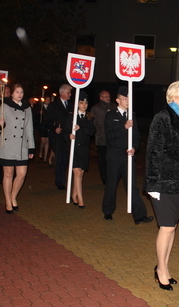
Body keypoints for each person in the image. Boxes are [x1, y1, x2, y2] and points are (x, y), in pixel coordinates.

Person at [146, 81, 179, 291]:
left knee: (173, 228)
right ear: (175, 97)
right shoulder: (163, 117)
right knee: (166, 227)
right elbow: (153, 151)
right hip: (162, 182)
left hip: (178, 182)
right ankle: (161, 271)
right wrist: (153, 183)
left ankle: (164, 267)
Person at [102, 86, 154, 225]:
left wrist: (134, 148)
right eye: (124, 99)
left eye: (129, 98)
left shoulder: (132, 116)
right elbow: (110, 137)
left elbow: (136, 136)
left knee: (132, 186)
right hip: (114, 155)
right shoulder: (111, 115)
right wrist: (123, 127)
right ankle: (108, 211)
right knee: (112, 184)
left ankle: (139, 216)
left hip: (128, 156)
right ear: (118, 100)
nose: (127, 101)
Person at [0, 84, 34, 214]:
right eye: (17, 92)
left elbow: (29, 128)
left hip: (22, 146)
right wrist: (1, 124)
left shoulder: (27, 108)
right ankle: (8, 201)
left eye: (21, 92)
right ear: (11, 93)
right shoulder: (4, 106)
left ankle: (13, 196)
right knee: (8, 174)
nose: (19, 94)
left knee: (22, 174)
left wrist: (31, 147)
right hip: (8, 145)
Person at [63, 93, 95, 208]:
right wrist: (69, 136)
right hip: (73, 148)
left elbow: (92, 132)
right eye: (81, 103)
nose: (84, 105)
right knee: (76, 172)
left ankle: (74, 194)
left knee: (81, 173)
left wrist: (81, 128)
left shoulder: (90, 117)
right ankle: (81, 200)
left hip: (84, 148)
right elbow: (65, 132)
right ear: (77, 104)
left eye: (86, 103)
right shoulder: (71, 116)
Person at [45, 84, 73, 190]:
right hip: (58, 137)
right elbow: (47, 121)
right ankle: (59, 181)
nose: (70, 95)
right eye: (68, 92)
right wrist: (54, 128)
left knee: (66, 159)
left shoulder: (71, 105)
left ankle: (64, 180)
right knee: (60, 159)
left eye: (70, 92)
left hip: (68, 137)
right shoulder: (53, 105)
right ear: (62, 93)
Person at [91, 90, 115, 185]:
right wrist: (99, 132)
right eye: (105, 97)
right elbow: (94, 123)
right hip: (101, 139)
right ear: (101, 98)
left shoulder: (114, 107)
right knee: (103, 161)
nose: (108, 98)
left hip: (113, 139)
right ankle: (105, 179)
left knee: (112, 160)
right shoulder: (96, 108)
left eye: (108, 96)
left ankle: (111, 177)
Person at [38, 96, 52, 162]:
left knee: (47, 141)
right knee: (43, 141)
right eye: (47, 99)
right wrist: (39, 113)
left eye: (49, 100)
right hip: (42, 126)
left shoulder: (50, 108)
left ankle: (45, 157)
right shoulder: (41, 107)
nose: (48, 101)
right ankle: (40, 151)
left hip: (48, 126)